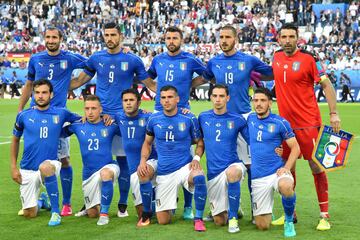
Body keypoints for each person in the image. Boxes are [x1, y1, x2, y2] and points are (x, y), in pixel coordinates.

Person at [70, 22, 156, 217]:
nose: (109, 38)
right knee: (94, 159)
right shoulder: (96, 58)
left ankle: (122, 204)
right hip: (99, 117)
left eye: (113, 35)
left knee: (124, 160)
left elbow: (149, 83)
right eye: (106, 35)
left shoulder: (132, 60)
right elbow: (80, 80)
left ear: (120, 37)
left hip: (121, 119)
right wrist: (56, 92)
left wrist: (173, 100)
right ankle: (91, 201)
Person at [194, 24, 273, 219]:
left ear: (235, 39)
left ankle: (257, 210)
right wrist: (182, 89)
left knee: (250, 165)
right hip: (220, 118)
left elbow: (271, 73)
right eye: (221, 37)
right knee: (222, 164)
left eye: (227, 37)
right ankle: (228, 208)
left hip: (244, 118)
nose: (223, 41)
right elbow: (206, 79)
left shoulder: (248, 60)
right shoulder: (214, 62)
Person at [272, 23, 341, 230]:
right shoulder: (275, 57)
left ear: (298, 38)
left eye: (291, 36)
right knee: (287, 168)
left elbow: (326, 85)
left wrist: (334, 113)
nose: (287, 40)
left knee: (315, 166)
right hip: (285, 127)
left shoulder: (309, 59)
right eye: (283, 36)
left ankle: (324, 215)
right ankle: (289, 214)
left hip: (309, 124)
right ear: (279, 39)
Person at [17, 26, 87, 216]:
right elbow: (29, 85)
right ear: (44, 39)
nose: (50, 40)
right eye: (47, 37)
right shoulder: (36, 59)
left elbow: (92, 66)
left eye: (54, 37)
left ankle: (66, 203)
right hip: (35, 116)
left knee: (64, 159)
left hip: (59, 118)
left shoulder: (69, 58)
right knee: (34, 158)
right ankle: (41, 199)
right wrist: (20, 108)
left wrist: (73, 84)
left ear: (60, 39)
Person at [145, 26, 206, 219]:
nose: (171, 41)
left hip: (183, 110)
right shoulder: (158, 59)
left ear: (181, 40)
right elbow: (148, 78)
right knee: (158, 156)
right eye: (168, 38)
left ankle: (188, 207)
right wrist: (155, 88)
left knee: (186, 157)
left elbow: (206, 75)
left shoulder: (190, 59)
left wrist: (189, 86)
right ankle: (161, 199)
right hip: (159, 109)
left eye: (175, 38)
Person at [10, 79, 80, 226]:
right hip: (27, 168)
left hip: (51, 164)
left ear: (51, 95)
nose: (40, 96)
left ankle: (55, 212)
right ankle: (43, 201)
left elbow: (82, 120)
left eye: (44, 92)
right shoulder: (24, 116)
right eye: (37, 93)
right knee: (30, 214)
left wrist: (65, 132)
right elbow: (15, 140)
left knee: (45, 167)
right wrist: (14, 167)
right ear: (33, 95)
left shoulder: (61, 113)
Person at [138, 85, 207, 231]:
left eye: (170, 97)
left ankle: (199, 219)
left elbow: (200, 142)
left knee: (199, 177)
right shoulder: (154, 119)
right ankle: (148, 212)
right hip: (164, 171)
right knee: (163, 220)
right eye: (163, 97)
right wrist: (143, 161)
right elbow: (147, 142)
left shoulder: (189, 118)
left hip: (184, 167)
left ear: (177, 99)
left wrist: (196, 158)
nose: (166, 101)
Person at [248, 87, 299, 237]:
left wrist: (286, 168)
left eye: (263, 100)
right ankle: (267, 212)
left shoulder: (280, 122)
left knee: (286, 185)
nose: (259, 104)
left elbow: (296, 147)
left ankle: (289, 221)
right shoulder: (250, 119)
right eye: (256, 100)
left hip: (277, 172)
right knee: (262, 226)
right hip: (258, 177)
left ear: (270, 103)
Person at [62, 95, 120, 225]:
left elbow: (129, 127)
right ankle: (90, 207)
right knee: (92, 214)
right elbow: (58, 132)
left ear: (100, 110)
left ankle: (104, 214)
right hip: (88, 174)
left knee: (105, 174)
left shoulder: (110, 124)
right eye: (87, 108)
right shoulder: (78, 125)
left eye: (94, 108)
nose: (90, 112)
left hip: (109, 166)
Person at [198, 84, 248, 233]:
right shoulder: (203, 117)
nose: (218, 99)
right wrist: (195, 157)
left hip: (233, 165)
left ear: (228, 98)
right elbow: (199, 141)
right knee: (219, 221)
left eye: (221, 96)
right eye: (215, 96)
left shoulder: (237, 119)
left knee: (233, 173)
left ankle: (233, 218)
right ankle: (235, 206)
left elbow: (253, 141)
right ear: (210, 97)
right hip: (214, 173)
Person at [114, 88, 157, 227]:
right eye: (125, 100)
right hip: (133, 170)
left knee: (155, 215)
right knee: (141, 213)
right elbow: (100, 117)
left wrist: (184, 111)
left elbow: (167, 117)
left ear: (139, 103)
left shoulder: (148, 117)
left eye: (131, 100)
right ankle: (154, 201)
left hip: (151, 163)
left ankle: (161, 200)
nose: (128, 103)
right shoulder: (118, 117)